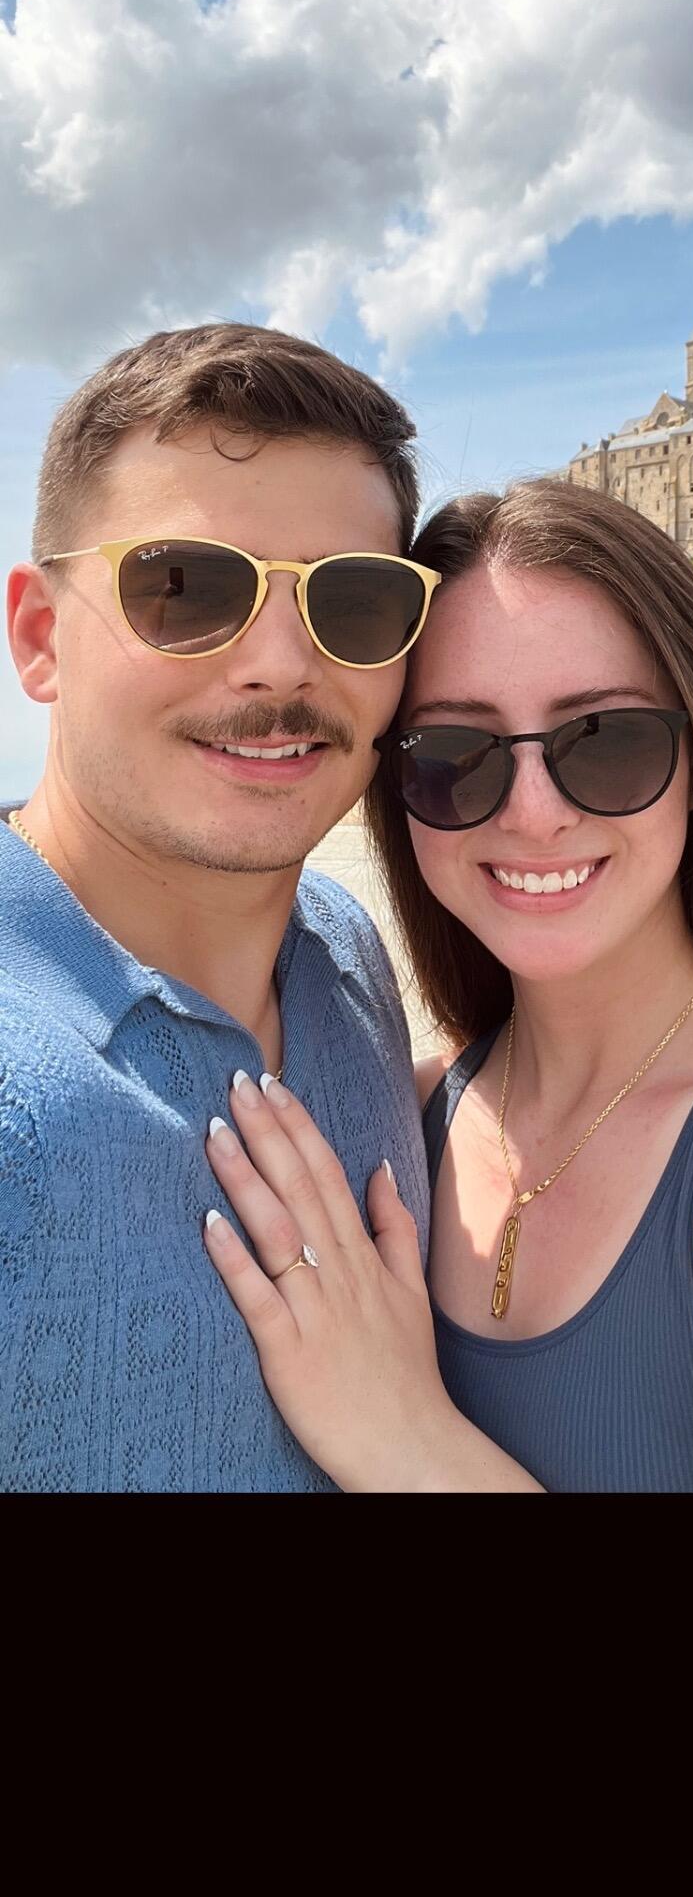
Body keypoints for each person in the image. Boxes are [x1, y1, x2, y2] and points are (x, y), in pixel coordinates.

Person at [201, 482, 693, 1493]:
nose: (533, 813)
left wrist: (407, 1440)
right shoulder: (406, 1120)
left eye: (606, 741)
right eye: (455, 754)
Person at [1, 324, 438, 1493]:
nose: (280, 664)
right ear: (41, 638)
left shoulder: (346, 955)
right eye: (186, 588)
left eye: (356, 603)